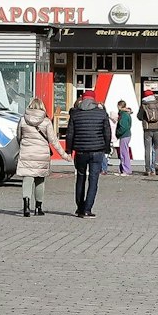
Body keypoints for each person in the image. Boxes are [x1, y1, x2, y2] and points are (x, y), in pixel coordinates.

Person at [65, 87, 109, 217]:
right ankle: (87, 209)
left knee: (80, 178)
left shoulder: (75, 113)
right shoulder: (102, 114)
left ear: (82, 99)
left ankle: (79, 207)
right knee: (93, 180)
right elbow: (107, 133)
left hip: (80, 151)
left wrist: (69, 149)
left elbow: (70, 133)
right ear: (94, 100)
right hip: (97, 151)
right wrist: (106, 148)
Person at [14, 97, 56, 218]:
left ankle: (26, 206)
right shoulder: (46, 121)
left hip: (27, 152)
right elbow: (51, 138)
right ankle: (38, 207)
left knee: (27, 179)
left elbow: (18, 136)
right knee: (40, 180)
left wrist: (24, 145)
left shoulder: (22, 120)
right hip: (42, 154)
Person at [137, 90, 158, 177]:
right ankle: (156, 165)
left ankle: (148, 169)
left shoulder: (144, 104)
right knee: (157, 148)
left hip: (147, 129)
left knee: (148, 149)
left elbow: (139, 117)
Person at [113, 100, 134, 176]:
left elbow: (123, 127)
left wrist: (117, 133)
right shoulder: (126, 114)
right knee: (123, 152)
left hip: (124, 135)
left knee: (124, 153)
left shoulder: (124, 115)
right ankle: (122, 169)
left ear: (119, 106)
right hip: (126, 135)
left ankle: (126, 170)